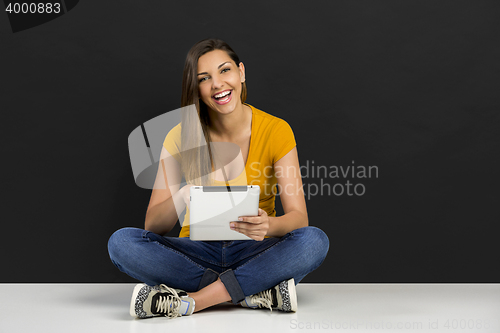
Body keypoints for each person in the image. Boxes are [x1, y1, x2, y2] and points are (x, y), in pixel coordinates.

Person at [108, 38, 329, 319]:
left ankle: (196, 300)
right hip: (195, 253)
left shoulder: (276, 130)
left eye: (225, 70)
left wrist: (268, 224)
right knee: (121, 243)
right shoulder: (179, 136)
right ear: (196, 89)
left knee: (313, 241)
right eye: (204, 78)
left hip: (255, 250)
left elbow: (299, 218)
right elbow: (153, 226)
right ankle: (253, 292)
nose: (217, 84)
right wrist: (181, 195)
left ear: (241, 73)